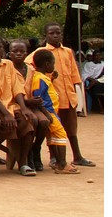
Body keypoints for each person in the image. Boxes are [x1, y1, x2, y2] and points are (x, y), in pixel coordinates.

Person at [25, 22, 95, 168]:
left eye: (58, 33)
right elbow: (29, 67)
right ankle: (54, 157)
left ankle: (77, 156)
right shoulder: (40, 52)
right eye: (52, 33)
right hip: (50, 99)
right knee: (53, 128)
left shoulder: (68, 51)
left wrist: (77, 93)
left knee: (71, 129)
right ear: (46, 35)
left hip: (68, 96)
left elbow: (75, 75)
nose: (56, 35)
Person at [0, 32, 36, 176]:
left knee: (29, 120)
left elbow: (17, 87)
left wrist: (23, 107)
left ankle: (23, 163)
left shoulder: (8, 64)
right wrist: (6, 114)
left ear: (4, 49)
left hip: (12, 105)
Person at [30, 49, 80, 174]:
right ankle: (62, 163)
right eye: (53, 63)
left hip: (52, 111)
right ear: (47, 64)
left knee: (54, 137)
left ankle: (58, 162)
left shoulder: (43, 77)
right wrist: (47, 114)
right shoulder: (39, 79)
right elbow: (38, 98)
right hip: (49, 111)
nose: (53, 66)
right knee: (61, 133)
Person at [10, 38, 49, 172]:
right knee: (33, 120)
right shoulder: (8, 69)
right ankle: (28, 156)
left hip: (32, 104)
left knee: (45, 121)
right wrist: (26, 102)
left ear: (27, 53)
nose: (19, 54)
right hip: (16, 104)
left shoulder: (31, 69)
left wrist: (35, 101)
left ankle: (35, 148)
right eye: (15, 51)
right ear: (9, 54)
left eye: (22, 51)